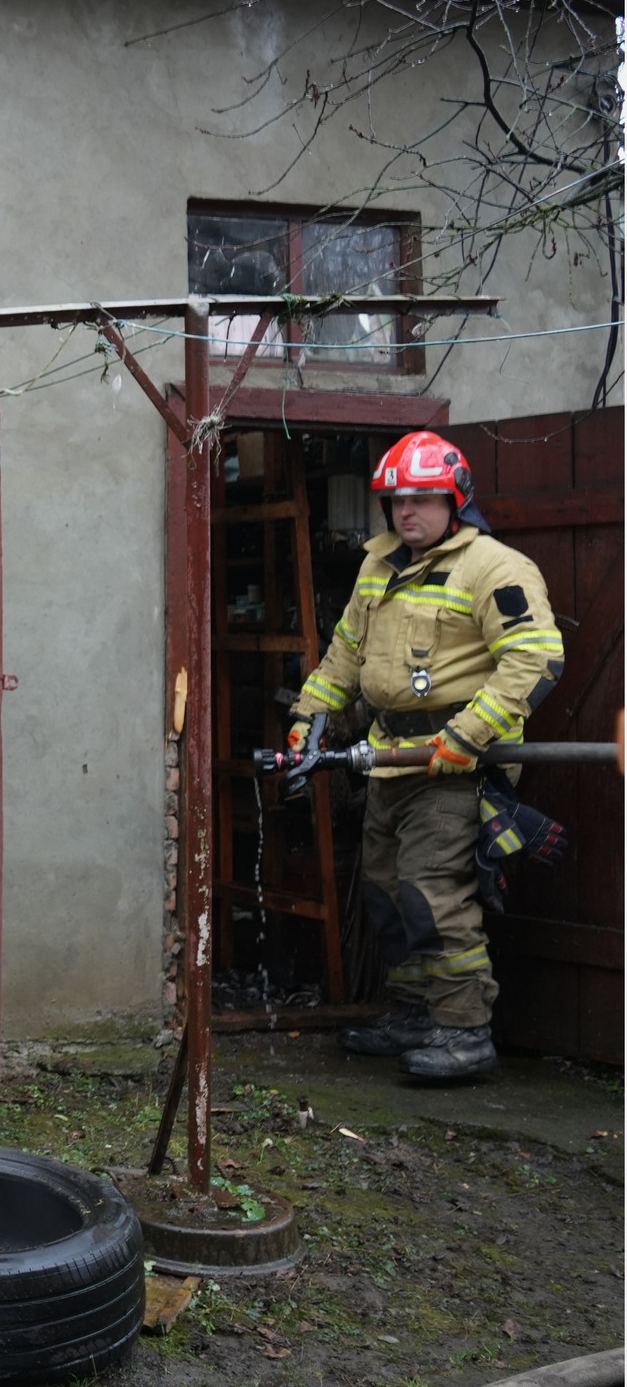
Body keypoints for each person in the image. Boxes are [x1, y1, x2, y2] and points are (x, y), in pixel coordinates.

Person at [287, 430, 563, 1080]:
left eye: (423, 498)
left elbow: (536, 659)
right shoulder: (378, 565)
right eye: (396, 500)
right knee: (386, 892)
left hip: (455, 765)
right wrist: (307, 720)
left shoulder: (494, 567)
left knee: (432, 892)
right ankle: (415, 1013)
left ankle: (464, 1031)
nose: (406, 511)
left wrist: (467, 737)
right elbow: (344, 654)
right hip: (388, 757)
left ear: (455, 500)